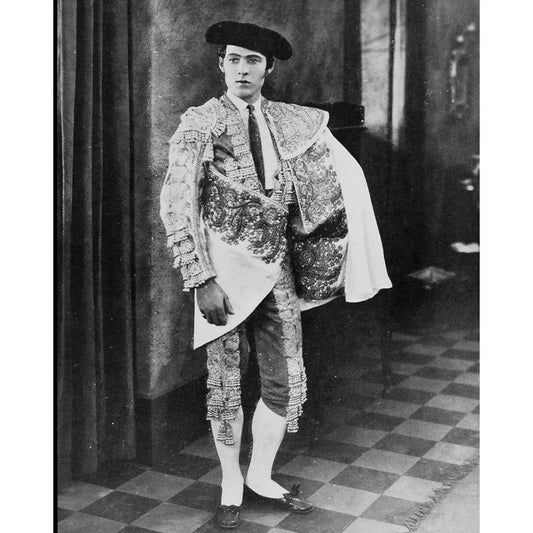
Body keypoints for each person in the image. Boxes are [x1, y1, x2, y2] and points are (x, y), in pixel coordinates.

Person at [160, 20, 391, 529]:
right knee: (225, 381)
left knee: (285, 379)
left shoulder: (290, 120)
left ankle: (261, 475)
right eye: (234, 59)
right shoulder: (200, 122)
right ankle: (230, 482)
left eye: (254, 61)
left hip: (278, 271)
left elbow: (343, 177)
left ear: (269, 69)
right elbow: (177, 203)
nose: (243, 70)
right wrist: (200, 279)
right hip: (223, 274)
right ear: (221, 64)